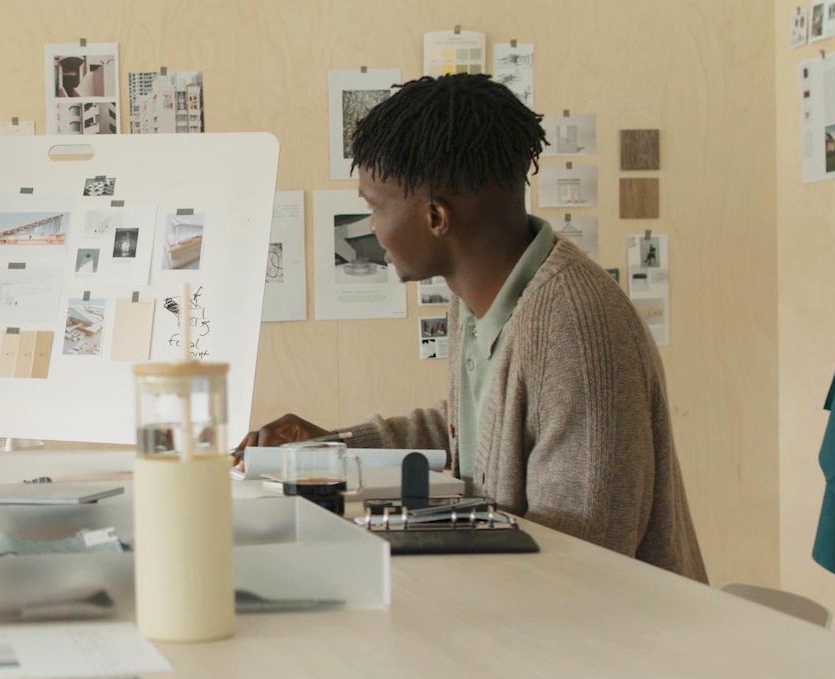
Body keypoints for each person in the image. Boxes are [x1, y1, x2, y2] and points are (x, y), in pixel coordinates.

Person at [238, 74, 706, 581]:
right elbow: (470, 433)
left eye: (374, 207)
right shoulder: (480, 298)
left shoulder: (573, 328)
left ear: (436, 216)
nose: (370, 227)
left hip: (616, 643)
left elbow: (585, 568)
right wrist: (333, 444)